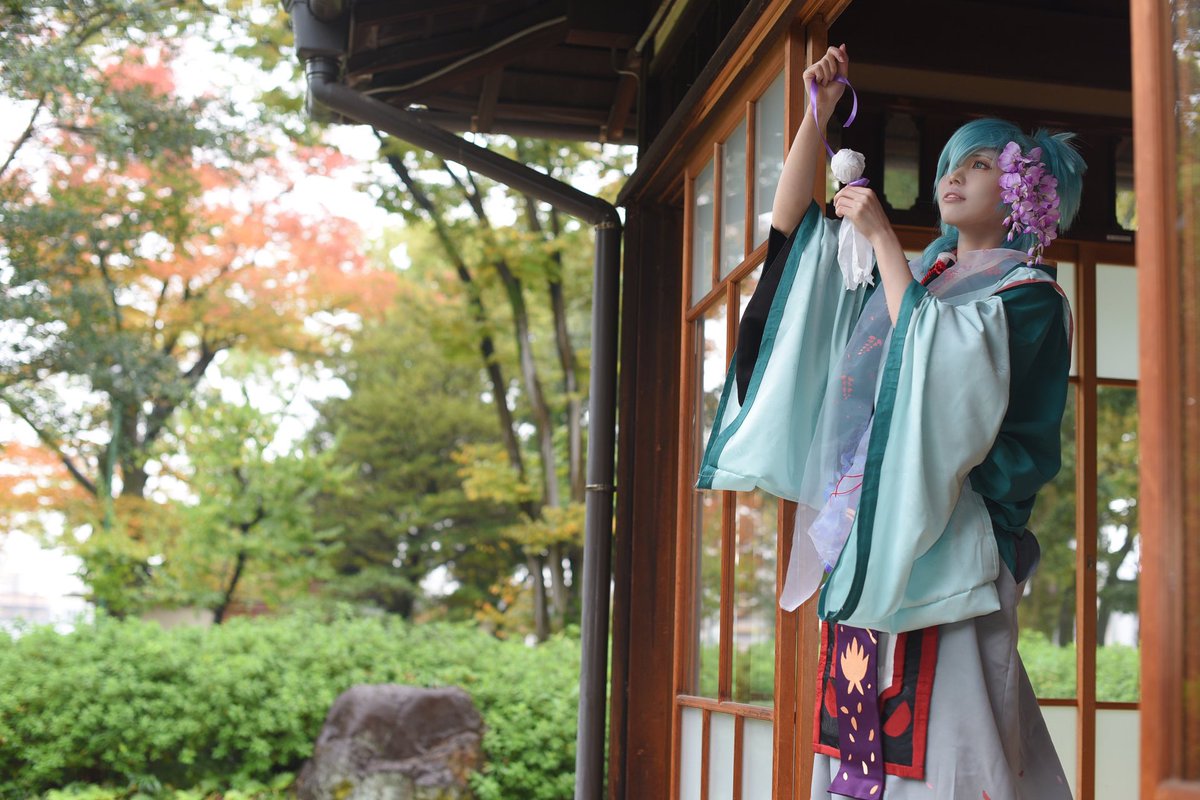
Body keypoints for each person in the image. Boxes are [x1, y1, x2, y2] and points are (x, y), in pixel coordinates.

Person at [697, 44, 1083, 799]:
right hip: (876, 524)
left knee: (953, 741)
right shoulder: (925, 278)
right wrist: (816, 120)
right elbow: (795, 246)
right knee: (863, 729)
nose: (953, 176)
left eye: (978, 164)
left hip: (959, 536)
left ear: (1020, 193)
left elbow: (943, 369)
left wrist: (882, 239)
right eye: (949, 164)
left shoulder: (1031, 294)